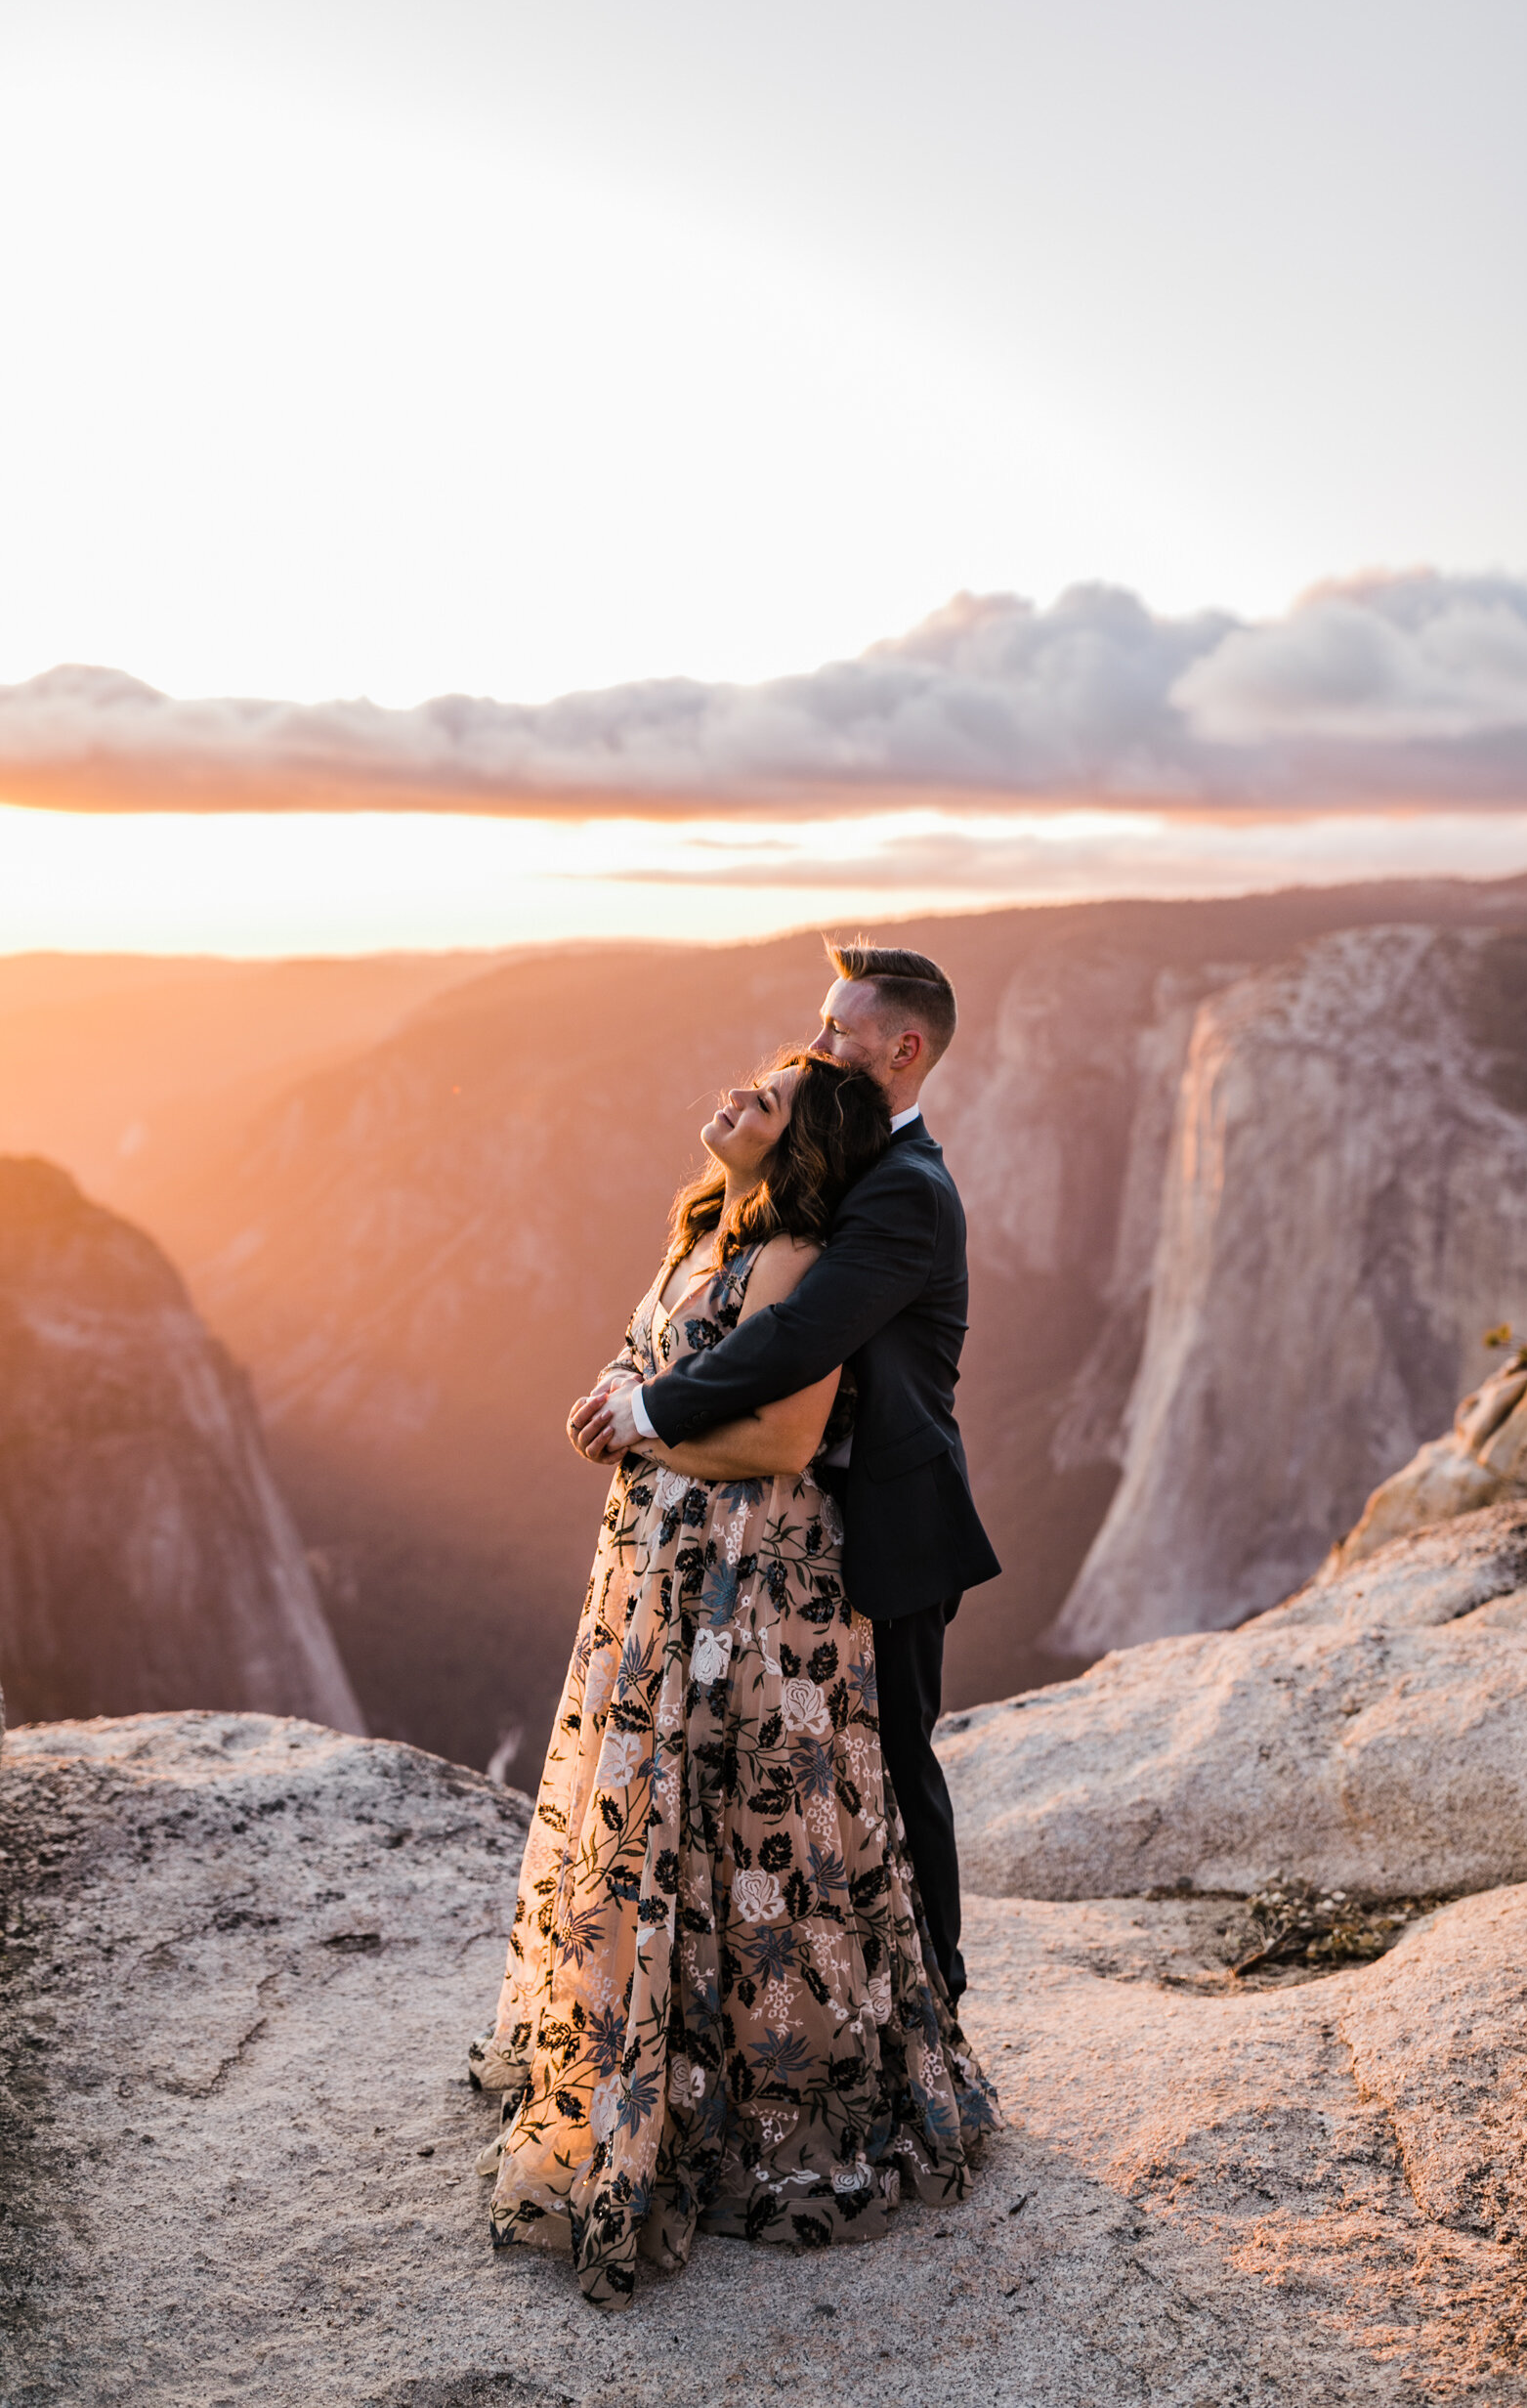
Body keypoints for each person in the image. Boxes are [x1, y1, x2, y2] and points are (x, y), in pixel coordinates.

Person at [470, 1047, 998, 2308]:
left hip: (754, 1588)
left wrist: (646, 1432)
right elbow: (642, 1358)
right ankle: (641, 2050)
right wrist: (611, 1398)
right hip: (663, 1573)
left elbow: (783, 1435)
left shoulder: (798, 1261)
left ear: (796, 1142)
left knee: (752, 1829)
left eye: (759, 1098)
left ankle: (753, 2097)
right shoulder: (701, 1234)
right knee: (657, 1814)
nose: (728, 1095)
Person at [577, 942, 999, 2005]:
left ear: (902, 1050)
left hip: (887, 1526)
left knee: (896, 1773)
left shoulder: (907, 1191)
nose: (813, 1048)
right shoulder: (861, 1164)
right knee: (826, 1777)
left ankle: (931, 2001)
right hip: (793, 1542)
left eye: (837, 1035)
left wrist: (646, 1411)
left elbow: (801, 1334)